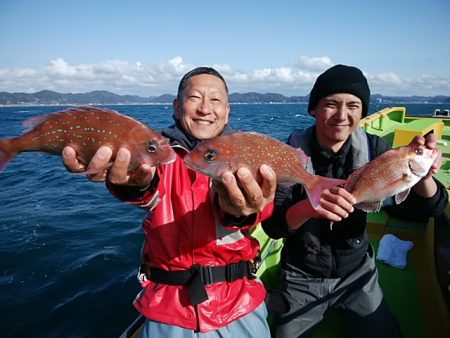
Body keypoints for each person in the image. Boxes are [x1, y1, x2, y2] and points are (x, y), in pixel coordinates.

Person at [62, 67, 276, 337]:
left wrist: (240, 213)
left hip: (240, 302)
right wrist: (134, 182)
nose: (205, 109)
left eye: (215, 100)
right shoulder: (155, 152)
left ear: (227, 110)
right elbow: (145, 188)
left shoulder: (248, 152)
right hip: (170, 310)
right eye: (194, 98)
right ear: (177, 106)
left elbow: (264, 207)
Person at [262, 64, 448, 338]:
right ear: (313, 108)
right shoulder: (289, 155)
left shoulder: (379, 152)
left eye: (353, 105)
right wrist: (308, 208)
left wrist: (424, 177)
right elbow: (273, 227)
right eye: (330, 104)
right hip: (302, 274)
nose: (342, 115)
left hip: (357, 273)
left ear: (363, 113)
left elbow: (429, 209)